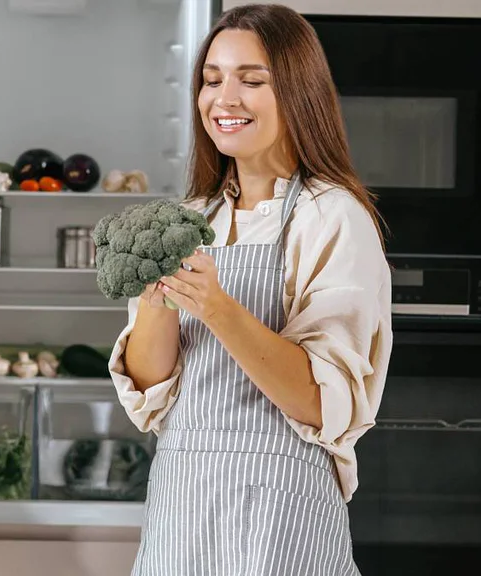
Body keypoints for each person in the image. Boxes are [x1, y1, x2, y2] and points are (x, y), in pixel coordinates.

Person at [107, 4, 393, 575]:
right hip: (181, 504)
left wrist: (216, 306)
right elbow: (148, 391)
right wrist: (157, 302)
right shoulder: (190, 217)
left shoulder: (332, 218)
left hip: (282, 506)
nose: (224, 98)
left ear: (297, 92)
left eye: (251, 80)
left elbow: (320, 401)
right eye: (211, 80)